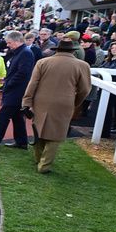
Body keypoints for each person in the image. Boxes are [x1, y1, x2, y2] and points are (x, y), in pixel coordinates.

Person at [21, 38, 91, 174]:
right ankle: (44, 165)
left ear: (57, 49)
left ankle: (38, 158)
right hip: (65, 102)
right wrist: (75, 102)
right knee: (56, 134)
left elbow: (32, 84)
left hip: (41, 101)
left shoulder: (42, 62)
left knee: (38, 129)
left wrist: (26, 102)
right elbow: (85, 90)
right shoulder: (83, 65)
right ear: (73, 51)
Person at [0, 31, 35, 150]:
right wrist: (6, 79)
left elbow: (23, 73)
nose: (7, 45)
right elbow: (17, 72)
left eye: (9, 43)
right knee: (17, 117)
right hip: (16, 89)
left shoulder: (25, 53)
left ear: (17, 41)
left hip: (17, 91)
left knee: (3, 116)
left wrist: (9, 83)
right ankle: (21, 142)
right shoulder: (20, 52)